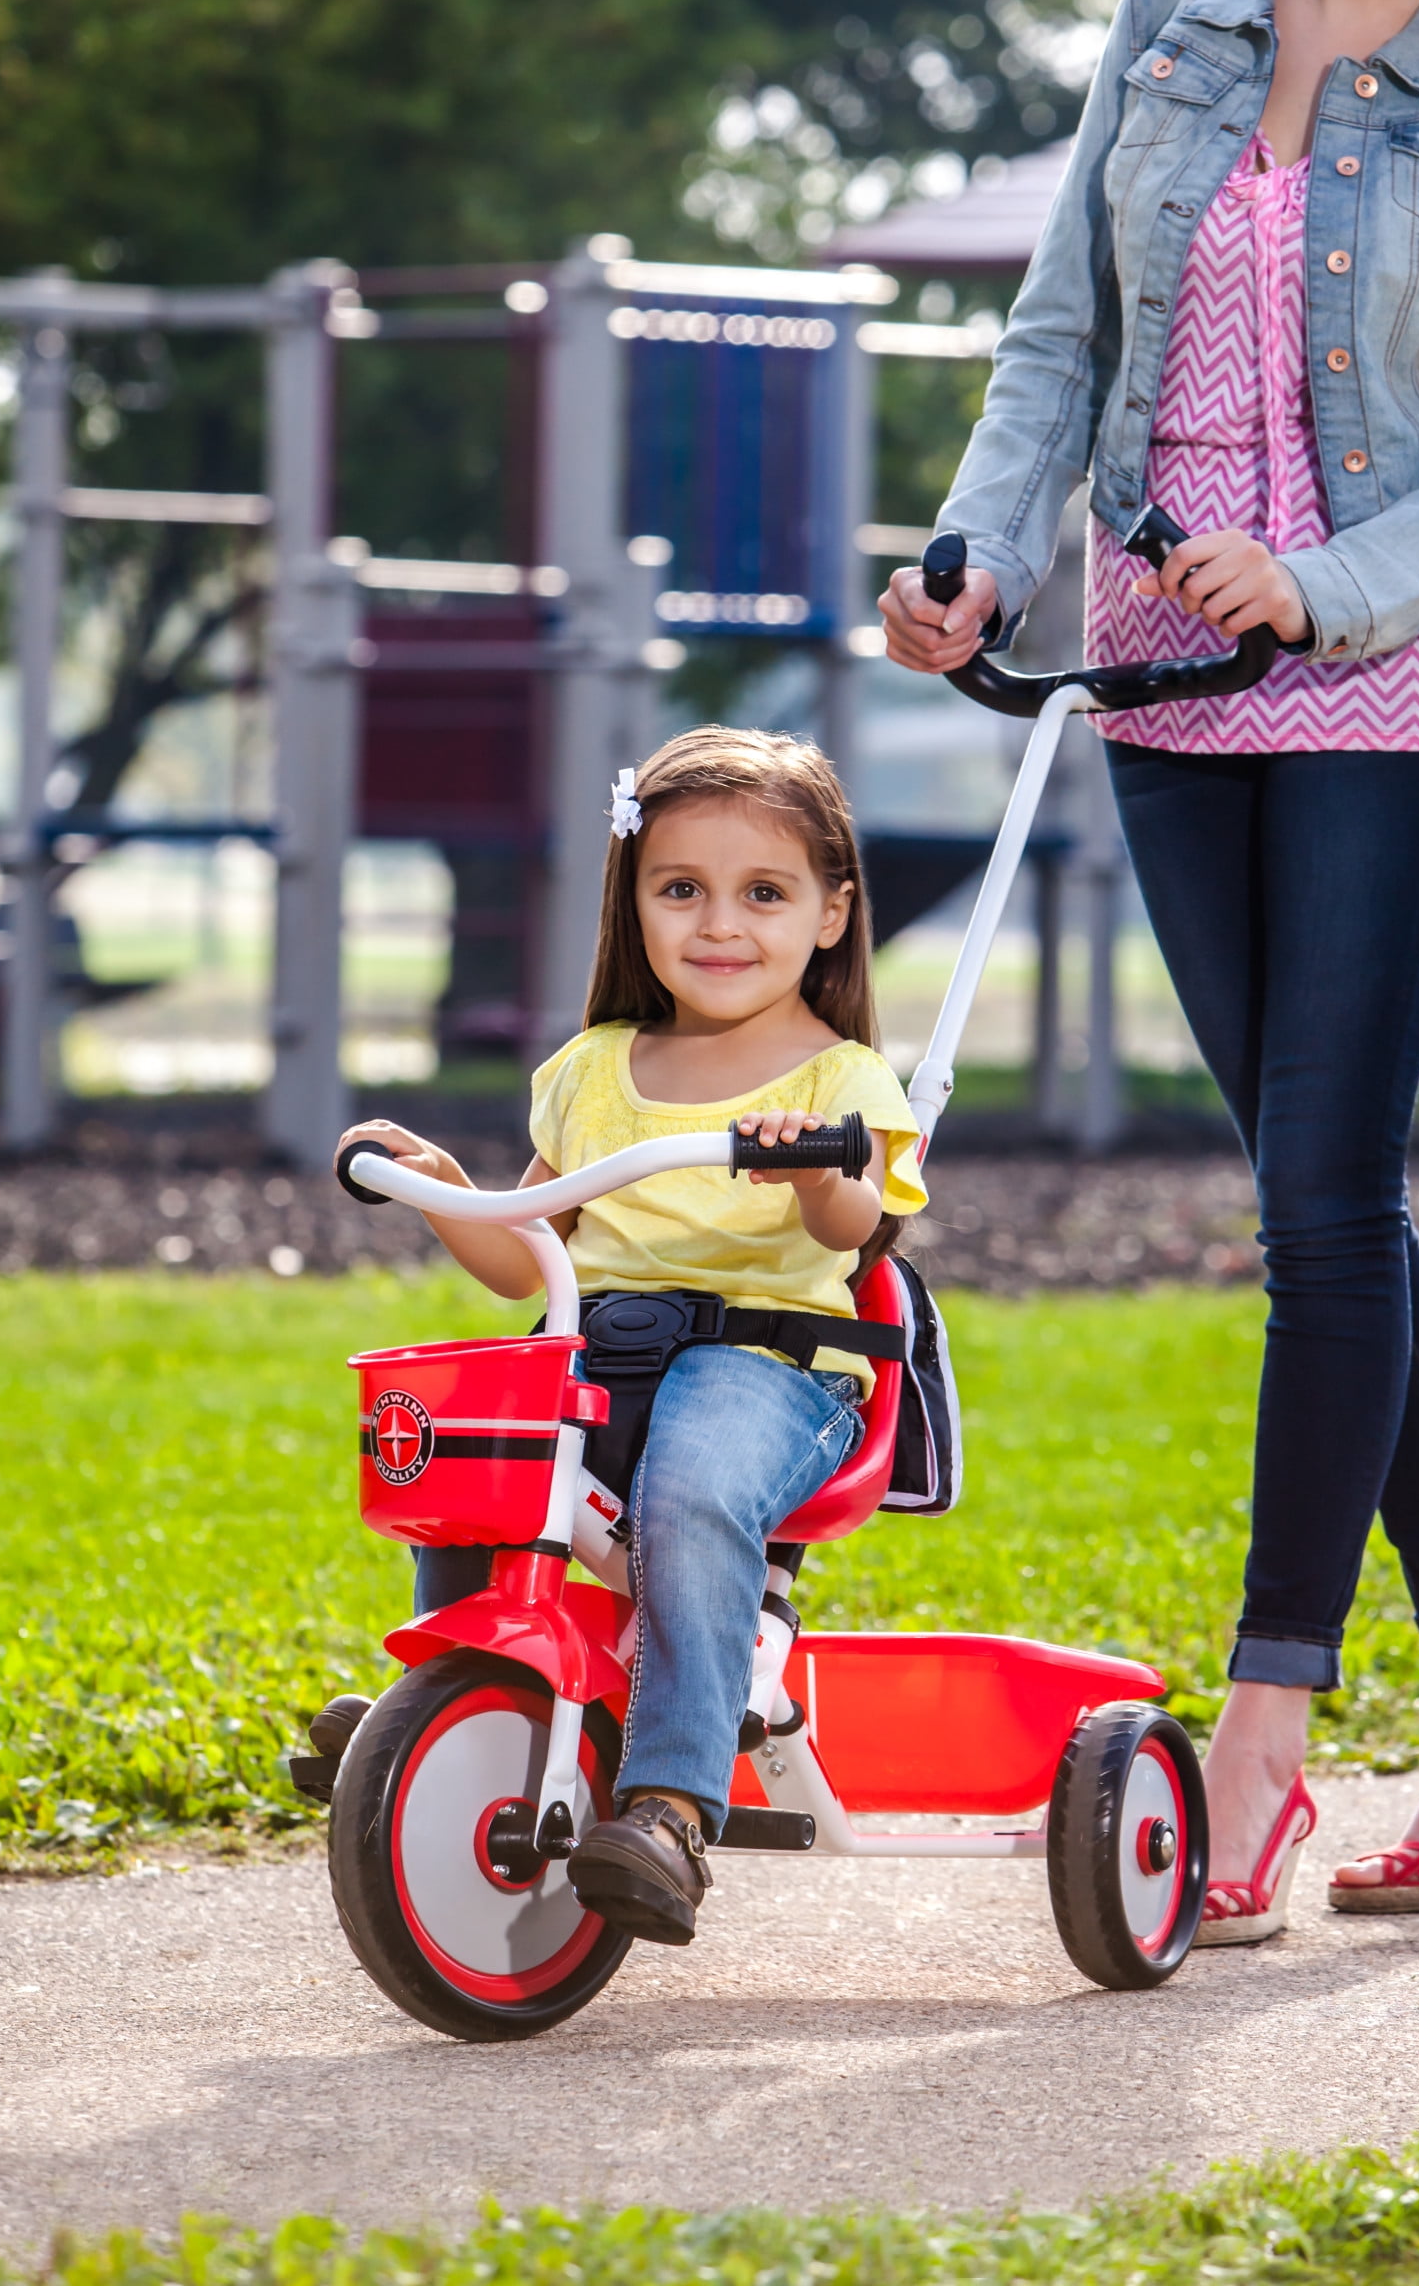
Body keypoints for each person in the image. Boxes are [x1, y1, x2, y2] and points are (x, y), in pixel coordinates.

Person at [880, 0, 1419, 1941]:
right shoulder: (1169, 12)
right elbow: (1057, 337)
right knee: (1338, 1204)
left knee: (1317, 1213)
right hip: (1159, 681)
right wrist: (978, 555)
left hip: (1388, 684)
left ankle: (1264, 1753)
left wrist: (1321, 578)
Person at [333, 726, 925, 1946]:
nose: (720, 924)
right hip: (601, 1354)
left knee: (696, 1475)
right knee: (470, 1439)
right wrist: (447, 1186)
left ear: (829, 914)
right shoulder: (596, 1069)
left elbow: (865, 1231)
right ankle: (464, 1694)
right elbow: (522, 1253)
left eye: (763, 893)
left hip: (777, 1369)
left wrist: (811, 1178)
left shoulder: (842, 1080)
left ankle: (667, 1801)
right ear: (636, 903)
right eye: (681, 890)